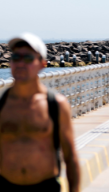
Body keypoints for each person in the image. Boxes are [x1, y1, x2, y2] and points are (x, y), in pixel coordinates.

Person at [0, 33, 80, 192]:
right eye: (16, 57)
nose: (21, 63)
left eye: (28, 58)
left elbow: (70, 157)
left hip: (45, 186)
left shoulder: (56, 104)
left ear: (42, 64)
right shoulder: (2, 105)